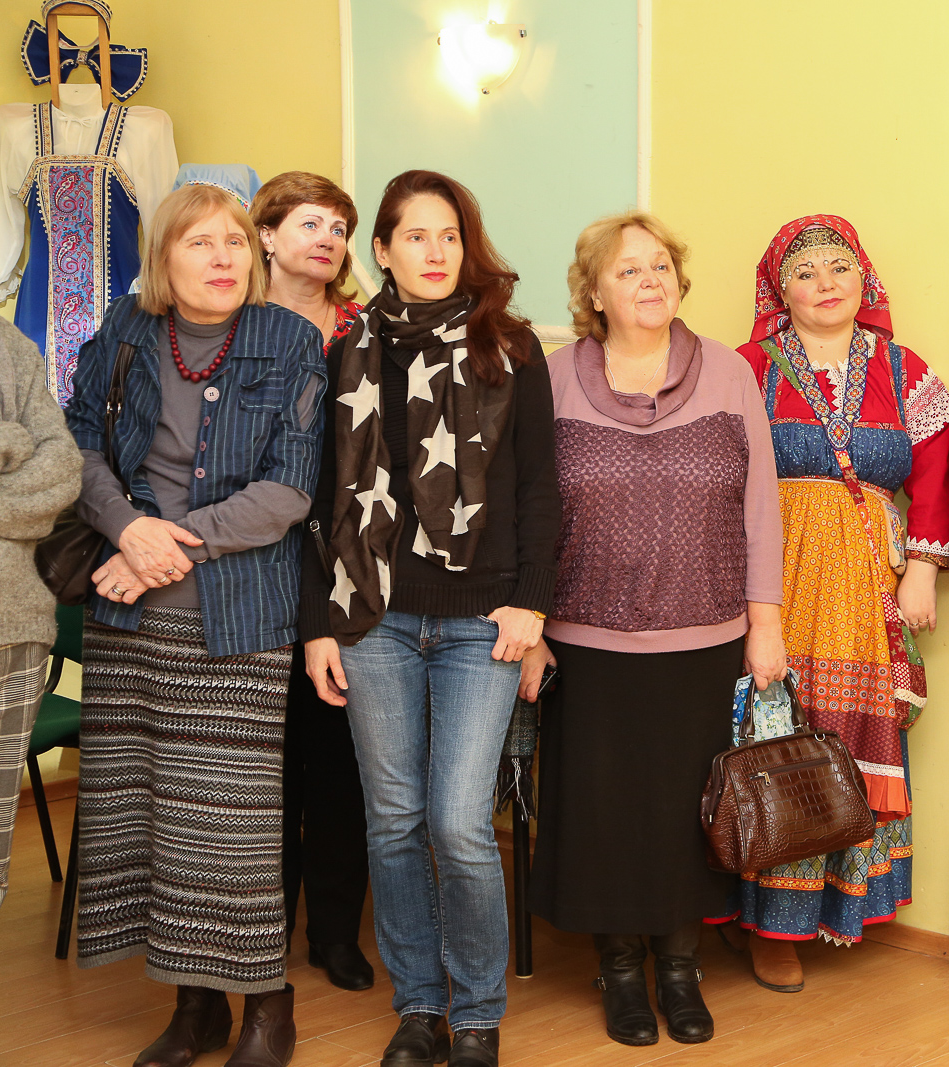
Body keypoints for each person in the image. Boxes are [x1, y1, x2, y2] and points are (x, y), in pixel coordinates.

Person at [299, 170, 557, 1067]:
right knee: (394, 819)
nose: (436, 251)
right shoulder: (348, 348)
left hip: (484, 620)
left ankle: (477, 1012)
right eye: (416, 236)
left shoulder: (511, 348)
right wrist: (319, 623)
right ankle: (418, 1006)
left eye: (449, 235)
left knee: (457, 822)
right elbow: (321, 498)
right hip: (372, 619)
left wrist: (532, 602)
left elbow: (540, 488)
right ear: (382, 250)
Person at [66, 183, 326, 1067]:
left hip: (238, 620)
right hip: (129, 620)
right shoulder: (126, 330)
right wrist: (125, 527)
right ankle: (196, 1008)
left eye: (235, 242)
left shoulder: (289, 340)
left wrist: (163, 546)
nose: (223, 258)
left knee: (230, 829)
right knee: (156, 821)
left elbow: (289, 489)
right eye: (199, 242)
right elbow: (79, 444)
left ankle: (268, 1005)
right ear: (162, 258)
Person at [523, 212, 783, 1047]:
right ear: (594, 291)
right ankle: (621, 970)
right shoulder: (553, 378)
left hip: (705, 639)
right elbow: (524, 510)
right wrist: (530, 626)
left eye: (661, 265)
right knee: (604, 811)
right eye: (628, 269)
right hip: (586, 643)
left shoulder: (730, 374)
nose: (649, 280)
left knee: (686, 810)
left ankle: (679, 967)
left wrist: (766, 621)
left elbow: (760, 507)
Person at [717, 215, 949, 991]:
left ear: (865, 279)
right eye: (805, 272)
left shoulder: (905, 370)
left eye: (839, 267)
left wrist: (922, 570)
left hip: (864, 590)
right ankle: (769, 924)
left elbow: (939, 469)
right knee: (774, 739)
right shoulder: (747, 367)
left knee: (846, 740)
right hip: (773, 581)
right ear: (779, 292)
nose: (825, 283)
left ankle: (837, 906)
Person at [250, 171, 373, 991]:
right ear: (265, 235)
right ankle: (262, 935)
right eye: (308, 222)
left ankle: (334, 932)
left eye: (339, 227)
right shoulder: (231, 324)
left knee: (339, 764)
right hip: (257, 565)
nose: (327, 238)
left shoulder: (365, 333)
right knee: (266, 771)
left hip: (346, 567)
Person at [0, 164, 82, 1067]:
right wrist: (3, 444)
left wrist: (4, 465)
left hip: (11, 625)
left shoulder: (10, 348)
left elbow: (61, 473)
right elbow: (26, 459)